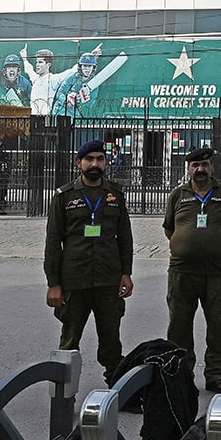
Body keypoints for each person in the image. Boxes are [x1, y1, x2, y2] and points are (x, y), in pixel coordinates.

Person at [44, 139, 134, 385]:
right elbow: (53, 242)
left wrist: (126, 273)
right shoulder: (64, 196)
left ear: (106, 163)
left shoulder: (115, 194)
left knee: (111, 342)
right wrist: (54, 283)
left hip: (108, 278)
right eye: (89, 159)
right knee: (69, 340)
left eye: (100, 159)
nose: (95, 164)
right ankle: (63, 395)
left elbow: (125, 237)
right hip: (74, 280)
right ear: (79, 163)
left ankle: (117, 390)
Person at [163, 147, 221, 393]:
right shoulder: (178, 195)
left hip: (216, 272)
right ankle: (182, 373)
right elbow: (169, 229)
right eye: (195, 165)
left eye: (204, 165)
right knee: (179, 323)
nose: (200, 170)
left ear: (212, 167)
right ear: (188, 168)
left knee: (216, 323)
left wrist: (216, 245)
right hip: (182, 272)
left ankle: (215, 375)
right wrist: (186, 245)